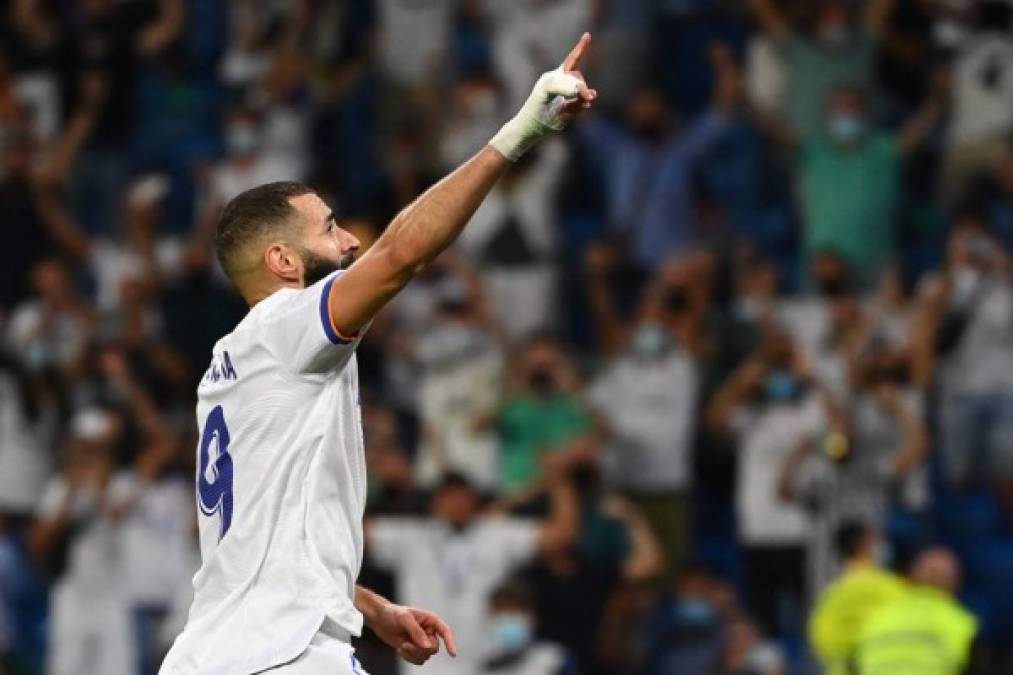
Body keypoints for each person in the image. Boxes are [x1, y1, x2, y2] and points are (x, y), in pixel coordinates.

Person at [158, 33, 598, 674]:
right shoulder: (287, 323)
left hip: (212, 655)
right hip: (285, 657)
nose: (352, 240)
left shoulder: (226, 370)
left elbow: (257, 548)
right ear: (281, 261)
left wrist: (362, 605)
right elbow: (402, 255)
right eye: (331, 228)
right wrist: (519, 132)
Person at [366, 469, 579, 675]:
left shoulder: (497, 535)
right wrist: (378, 481)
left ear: (474, 498)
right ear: (436, 500)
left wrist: (560, 482)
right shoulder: (411, 536)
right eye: (450, 495)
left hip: (485, 665)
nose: (457, 502)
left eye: (463, 494)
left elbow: (560, 536)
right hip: (423, 665)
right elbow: (352, 532)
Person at [855, 548, 978, 675]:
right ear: (955, 582)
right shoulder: (961, 624)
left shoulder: (878, 618)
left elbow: (855, 662)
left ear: (913, 577)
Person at [808, 522, 907, 675]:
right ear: (863, 546)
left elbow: (819, 639)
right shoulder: (892, 588)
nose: (880, 545)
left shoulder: (831, 594)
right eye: (875, 540)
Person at [480, 580, 577, 675]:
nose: (506, 620)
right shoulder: (483, 667)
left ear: (533, 617)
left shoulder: (555, 660)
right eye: (500, 614)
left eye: (514, 613)